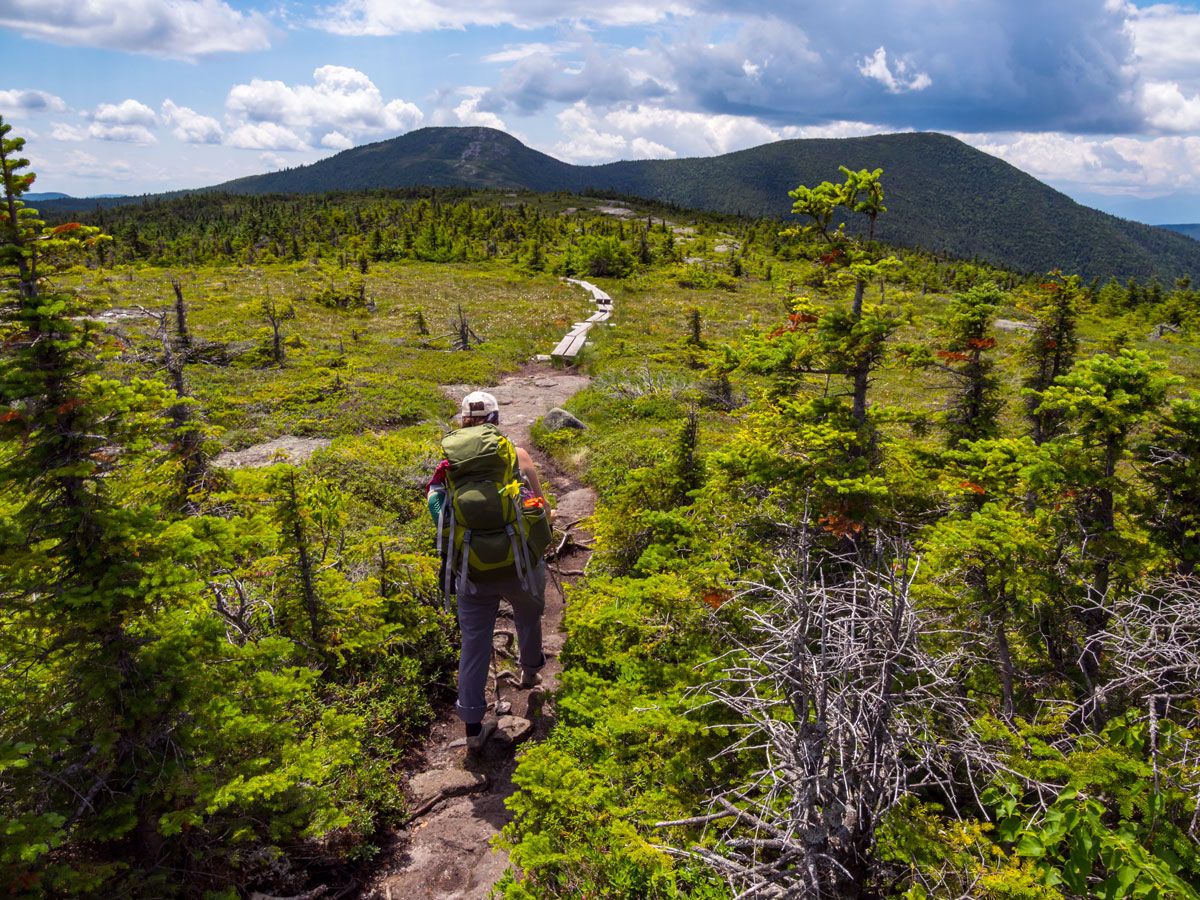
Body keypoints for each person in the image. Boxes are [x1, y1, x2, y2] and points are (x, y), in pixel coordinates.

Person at [428, 390, 549, 753]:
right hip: (519, 564)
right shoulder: (517, 455)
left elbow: (436, 511)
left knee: (474, 644)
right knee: (529, 615)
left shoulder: (448, 466)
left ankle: (472, 727)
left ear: (463, 421)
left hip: (471, 571)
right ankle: (529, 671)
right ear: (495, 420)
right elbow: (537, 504)